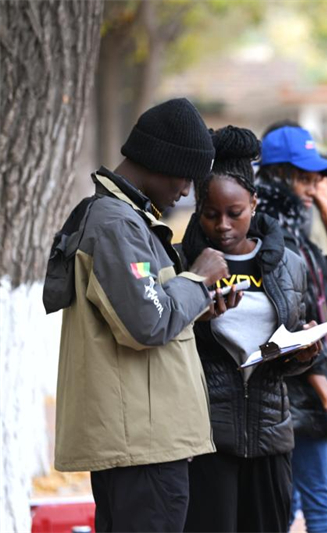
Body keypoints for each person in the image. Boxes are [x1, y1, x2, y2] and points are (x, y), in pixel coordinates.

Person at [43, 98, 232, 532]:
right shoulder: (116, 225)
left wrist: (196, 307)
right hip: (142, 449)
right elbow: (147, 322)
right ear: (163, 162)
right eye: (186, 177)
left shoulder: (126, 220)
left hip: (141, 444)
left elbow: (144, 307)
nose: (186, 191)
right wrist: (198, 280)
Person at [181, 125, 319, 533]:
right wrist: (194, 311)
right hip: (205, 440)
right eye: (210, 214)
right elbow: (162, 342)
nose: (222, 225)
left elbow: (289, 349)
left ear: (254, 204)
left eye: (234, 213)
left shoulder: (288, 264)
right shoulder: (180, 265)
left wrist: (303, 353)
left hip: (271, 437)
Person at [256, 122, 327, 533]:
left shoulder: (301, 236)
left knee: (298, 499)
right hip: (297, 396)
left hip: (310, 393)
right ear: (279, 176)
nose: (315, 189)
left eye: (319, 180)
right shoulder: (271, 235)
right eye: (306, 179)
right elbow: (292, 325)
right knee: (318, 503)